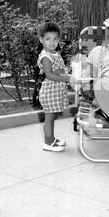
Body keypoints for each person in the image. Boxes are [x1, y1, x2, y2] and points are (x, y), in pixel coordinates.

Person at [37, 21, 80, 152]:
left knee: (53, 116)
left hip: (56, 91)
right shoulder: (45, 56)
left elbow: (59, 70)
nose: (52, 42)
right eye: (48, 39)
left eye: (55, 39)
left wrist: (68, 71)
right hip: (49, 91)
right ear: (41, 40)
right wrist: (66, 77)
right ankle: (48, 142)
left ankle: (52, 139)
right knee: (49, 117)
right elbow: (49, 75)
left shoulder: (55, 54)